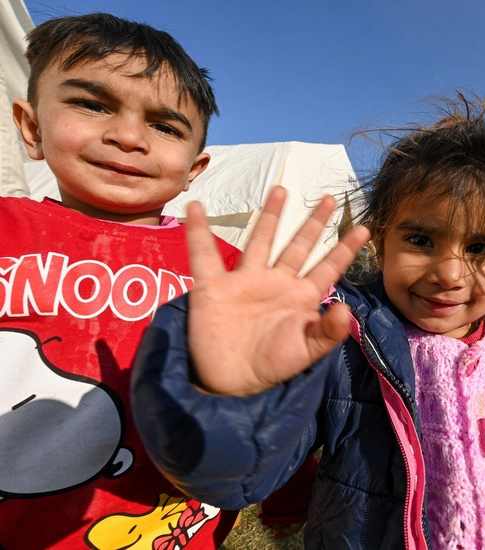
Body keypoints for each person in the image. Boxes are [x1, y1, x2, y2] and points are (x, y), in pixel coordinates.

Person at [131, 96, 485, 549]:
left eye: (479, 247)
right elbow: (234, 478)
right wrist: (227, 396)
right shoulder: (342, 345)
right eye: (421, 240)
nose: (449, 273)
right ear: (380, 238)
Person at [0, 13, 308, 549]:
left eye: (165, 126)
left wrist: (258, 417)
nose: (127, 136)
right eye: (92, 104)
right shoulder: (6, 231)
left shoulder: (229, 270)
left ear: (195, 168)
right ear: (31, 128)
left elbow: (271, 427)